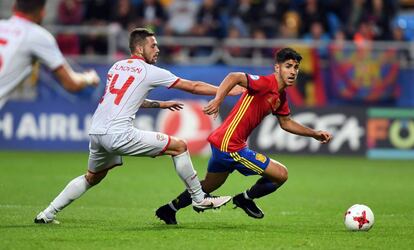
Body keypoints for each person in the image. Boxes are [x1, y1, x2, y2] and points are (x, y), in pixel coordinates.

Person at [33, 27, 240, 224]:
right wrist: (225, 91)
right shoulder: (150, 71)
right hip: (118, 134)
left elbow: (126, 99)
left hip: (96, 132)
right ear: (140, 48)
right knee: (179, 146)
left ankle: (47, 213)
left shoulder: (116, 67)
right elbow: (193, 86)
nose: (157, 50)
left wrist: (160, 104)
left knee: (91, 177)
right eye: (153, 45)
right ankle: (199, 198)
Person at [156, 48, 332, 224]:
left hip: (224, 143)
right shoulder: (265, 83)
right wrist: (218, 100)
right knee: (281, 175)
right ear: (277, 68)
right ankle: (245, 199)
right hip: (231, 146)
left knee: (208, 186)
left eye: (296, 67)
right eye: (288, 66)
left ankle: (169, 209)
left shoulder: (281, 95)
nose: (293, 71)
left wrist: (314, 134)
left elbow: (286, 123)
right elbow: (234, 76)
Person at [0, 0, 100, 109]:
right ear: (42, 13)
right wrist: (89, 78)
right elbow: (71, 83)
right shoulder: (37, 36)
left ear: (14, 7)